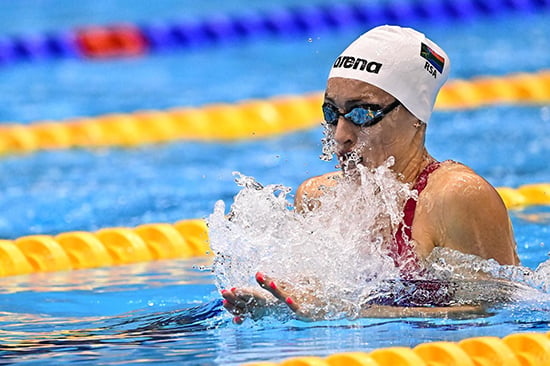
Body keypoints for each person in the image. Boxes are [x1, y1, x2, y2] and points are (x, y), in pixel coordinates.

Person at [221, 25, 519, 323]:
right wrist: (279, 305)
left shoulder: (455, 197)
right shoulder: (317, 198)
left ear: (415, 116)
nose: (340, 135)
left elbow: (497, 315)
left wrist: (340, 311)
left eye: (362, 113)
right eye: (331, 113)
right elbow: (311, 306)